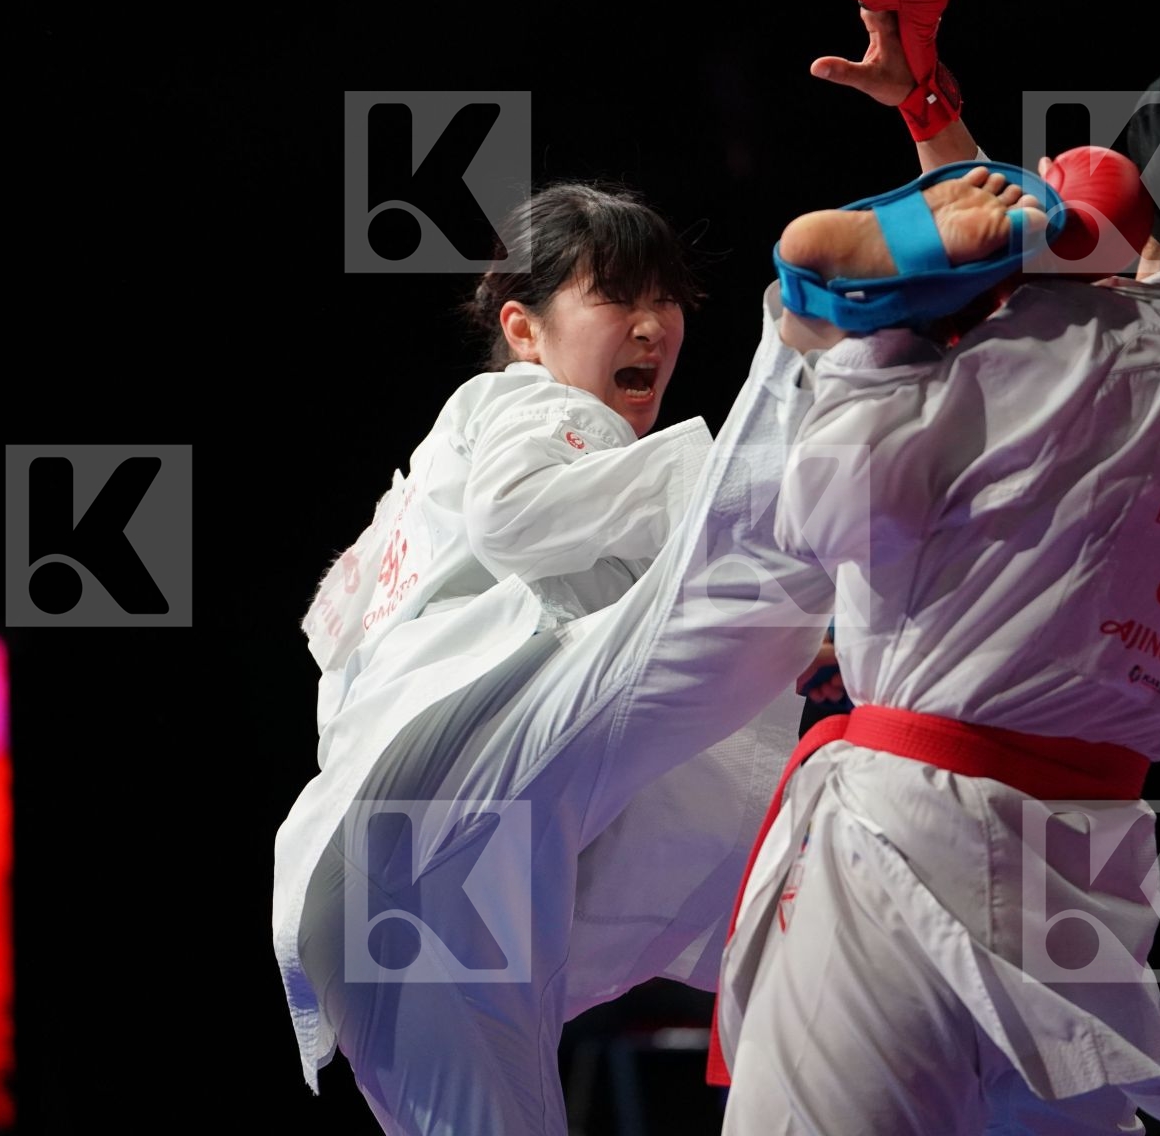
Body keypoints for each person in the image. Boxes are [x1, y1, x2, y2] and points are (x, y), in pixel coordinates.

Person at [708, 0, 1160, 1131]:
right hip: (1084, 890)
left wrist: (877, 334)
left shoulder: (1082, 333)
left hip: (905, 859)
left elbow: (829, 504)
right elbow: (1091, 347)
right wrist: (936, 118)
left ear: (1133, 192)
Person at [274, 180, 845, 1135]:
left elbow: (337, 652)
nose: (654, 325)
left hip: (390, 884)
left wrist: (798, 631)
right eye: (616, 296)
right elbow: (521, 513)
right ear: (524, 330)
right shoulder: (527, 404)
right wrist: (717, 491)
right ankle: (817, 321)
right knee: (719, 578)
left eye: (667, 299)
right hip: (443, 827)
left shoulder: (425, 492)